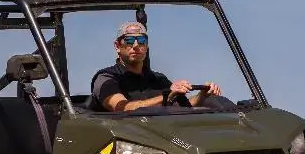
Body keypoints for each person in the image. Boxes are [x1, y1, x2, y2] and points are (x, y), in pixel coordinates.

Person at [87, 21, 221, 112]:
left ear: (146, 46)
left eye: (141, 40)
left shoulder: (158, 79)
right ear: (117, 46)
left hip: (160, 136)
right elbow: (122, 108)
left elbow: (183, 108)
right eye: (129, 40)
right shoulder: (106, 78)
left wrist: (202, 96)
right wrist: (167, 95)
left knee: (217, 104)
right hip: (126, 140)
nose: (136, 45)